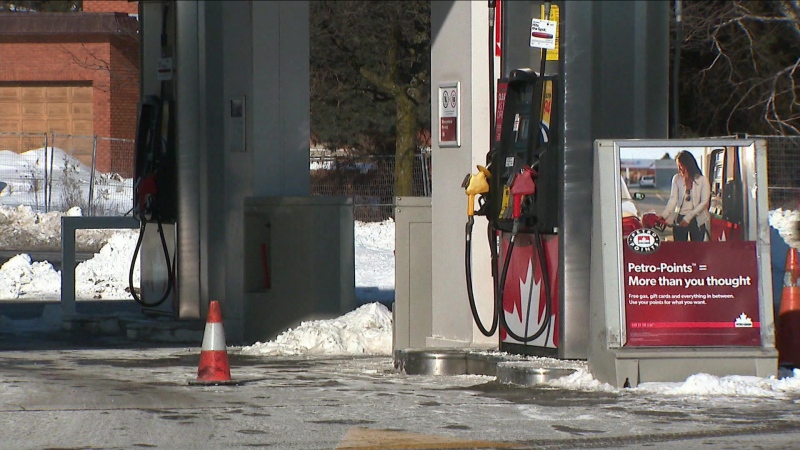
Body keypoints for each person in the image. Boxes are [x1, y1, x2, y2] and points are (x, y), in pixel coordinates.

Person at [659, 151, 711, 242]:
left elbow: (704, 203)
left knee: (697, 250)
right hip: (680, 218)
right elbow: (673, 199)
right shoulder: (676, 178)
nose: (679, 169)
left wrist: (688, 218)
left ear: (688, 165)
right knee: (680, 249)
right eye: (678, 166)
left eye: (681, 166)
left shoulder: (702, 180)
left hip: (697, 220)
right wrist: (664, 216)